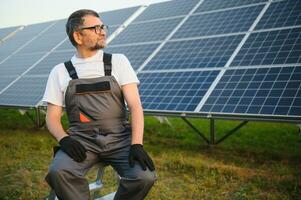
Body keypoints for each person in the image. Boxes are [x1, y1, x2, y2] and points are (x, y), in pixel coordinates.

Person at [42, 9, 156, 200]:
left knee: (144, 177)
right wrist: (64, 139)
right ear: (78, 36)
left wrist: (137, 144)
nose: (103, 31)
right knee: (58, 172)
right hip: (81, 141)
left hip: (119, 138)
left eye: (103, 27)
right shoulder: (60, 72)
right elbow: (52, 117)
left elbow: (135, 107)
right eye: (95, 28)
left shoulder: (118, 62)